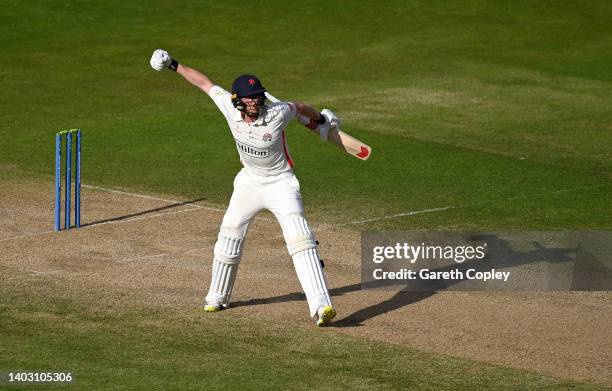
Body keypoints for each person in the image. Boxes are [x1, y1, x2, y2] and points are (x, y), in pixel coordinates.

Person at [150, 49, 338, 326]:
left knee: (301, 241)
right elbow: (204, 83)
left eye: (259, 96)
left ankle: (322, 308)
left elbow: (298, 106)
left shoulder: (277, 113)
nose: (257, 101)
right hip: (249, 182)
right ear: (238, 100)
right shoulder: (228, 105)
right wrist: (172, 65)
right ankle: (217, 297)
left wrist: (320, 120)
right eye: (251, 98)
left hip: (280, 184)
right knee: (229, 236)